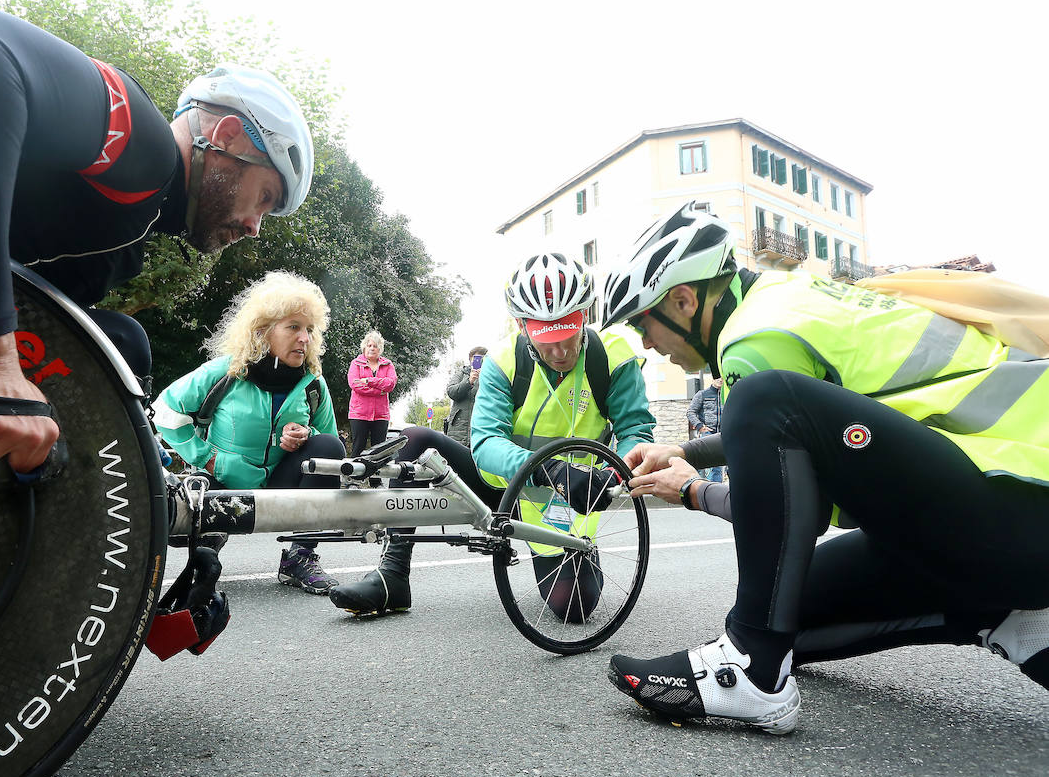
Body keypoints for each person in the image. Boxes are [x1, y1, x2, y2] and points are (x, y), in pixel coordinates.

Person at [598, 201, 1049, 735]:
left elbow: (789, 505)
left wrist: (693, 491)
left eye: (643, 325)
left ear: (682, 300)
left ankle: (752, 667)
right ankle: (1014, 617)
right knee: (794, 614)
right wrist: (686, 451)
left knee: (761, 401)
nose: (646, 345)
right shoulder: (786, 298)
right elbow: (799, 437)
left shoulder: (755, 338)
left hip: (1018, 500)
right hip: (996, 515)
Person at [0, 0, 313, 476]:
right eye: (265, 196)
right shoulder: (143, 152)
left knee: (119, 341)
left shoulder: (133, 225)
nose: (254, 227)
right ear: (226, 135)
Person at [329, 252, 655, 616]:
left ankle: (582, 551)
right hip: (500, 485)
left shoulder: (612, 357)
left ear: (584, 317)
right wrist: (552, 470)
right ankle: (392, 576)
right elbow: (485, 444)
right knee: (415, 439)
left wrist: (613, 473)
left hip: (568, 499)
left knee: (574, 609)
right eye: (547, 341)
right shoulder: (504, 361)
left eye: (568, 334)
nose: (561, 351)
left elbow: (636, 432)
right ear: (521, 325)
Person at [153, 272, 343, 595]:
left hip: (279, 486)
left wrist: (306, 434)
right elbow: (164, 412)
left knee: (329, 448)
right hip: (221, 482)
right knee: (180, 519)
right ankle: (206, 548)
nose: (304, 339)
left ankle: (300, 556)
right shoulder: (227, 372)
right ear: (265, 330)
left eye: (309, 329)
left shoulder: (313, 385)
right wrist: (208, 458)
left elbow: (331, 447)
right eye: (293, 327)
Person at [346, 331, 397, 454]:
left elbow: (390, 384)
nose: (372, 348)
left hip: (381, 415)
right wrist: (380, 391)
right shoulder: (356, 364)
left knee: (379, 452)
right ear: (364, 347)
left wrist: (369, 381)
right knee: (357, 448)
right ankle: (354, 473)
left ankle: (376, 474)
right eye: (369, 346)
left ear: (380, 349)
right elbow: (355, 385)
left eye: (375, 346)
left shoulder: (388, 364)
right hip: (359, 414)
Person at [445, 346, 488, 447]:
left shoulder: (489, 376)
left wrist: (484, 378)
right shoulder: (461, 374)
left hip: (480, 428)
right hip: (458, 429)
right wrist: (469, 381)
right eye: (476, 360)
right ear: (470, 360)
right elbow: (451, 392)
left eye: (482, 360)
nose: (478, 362)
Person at [685, 376, 724, 482]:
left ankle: (721, 490)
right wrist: (700, 426)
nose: (720, 380)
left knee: (724, 465)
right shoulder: (702, 394)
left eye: (722, 378)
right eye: (718, 378)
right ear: (712, 379)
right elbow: (690, 412)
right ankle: (708, 489)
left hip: (724, 433)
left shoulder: (728, 395)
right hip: (708, 432)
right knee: (710, 463)